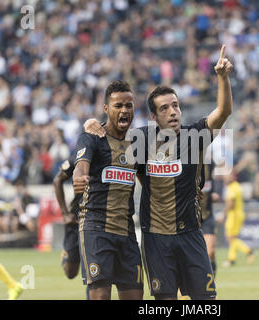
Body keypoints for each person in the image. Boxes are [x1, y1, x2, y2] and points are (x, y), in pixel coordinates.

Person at [83, 45, 233, 300]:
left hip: (190, 235)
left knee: (207, 301)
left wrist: (222, 77)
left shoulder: (194, 135)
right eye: (164, 108)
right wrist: (91, 123)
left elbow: (223, 112)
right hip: (156, 239)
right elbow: (110, 136)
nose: (173, 111)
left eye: (175, 105)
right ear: (153, 116)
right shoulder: (140, 140)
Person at [72, 80, 143, 300]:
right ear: (106, 109)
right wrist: (79, 177)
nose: (124, 110)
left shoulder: (137, 143)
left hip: (127, 231)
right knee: (101, 296)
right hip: (96, 229)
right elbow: (81, 165)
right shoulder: (92, 138)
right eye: (118, 105)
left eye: (128, 106)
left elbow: (148, 179)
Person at [217, 170, 255, 267]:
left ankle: (248, 251)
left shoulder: (232, 188)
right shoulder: (236, 186)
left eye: (227, 176)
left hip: (234, 215)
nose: (225, 178)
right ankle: (231, 259)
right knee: (232, 238)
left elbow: (231, 204)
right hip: (238, 214)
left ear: (233, 177)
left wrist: (222, 214)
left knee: (230, 238)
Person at [53, 156, 81, 280]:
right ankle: (66, 255)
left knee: (92, 265)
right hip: (76, 218)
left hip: (96, 219)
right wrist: (65, 213)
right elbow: (57, 179)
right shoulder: (79, 155)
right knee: (71, 272)